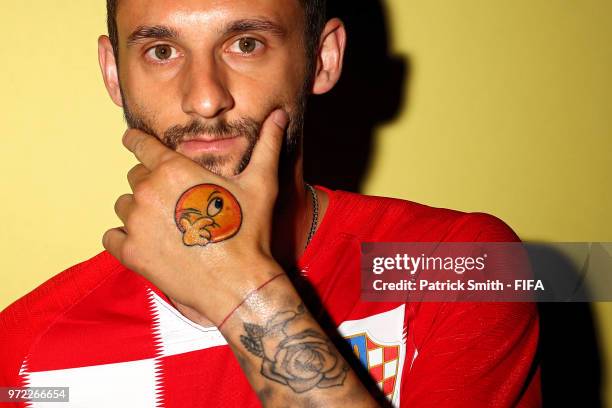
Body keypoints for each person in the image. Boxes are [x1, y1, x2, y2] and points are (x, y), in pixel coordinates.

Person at [0, 0, 540, 406]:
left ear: (322, 59)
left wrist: (242, 292)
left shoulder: (462, 269)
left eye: (246, 44)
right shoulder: (22, 353)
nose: (206, 97)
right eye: (162, 51)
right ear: (114, 72)